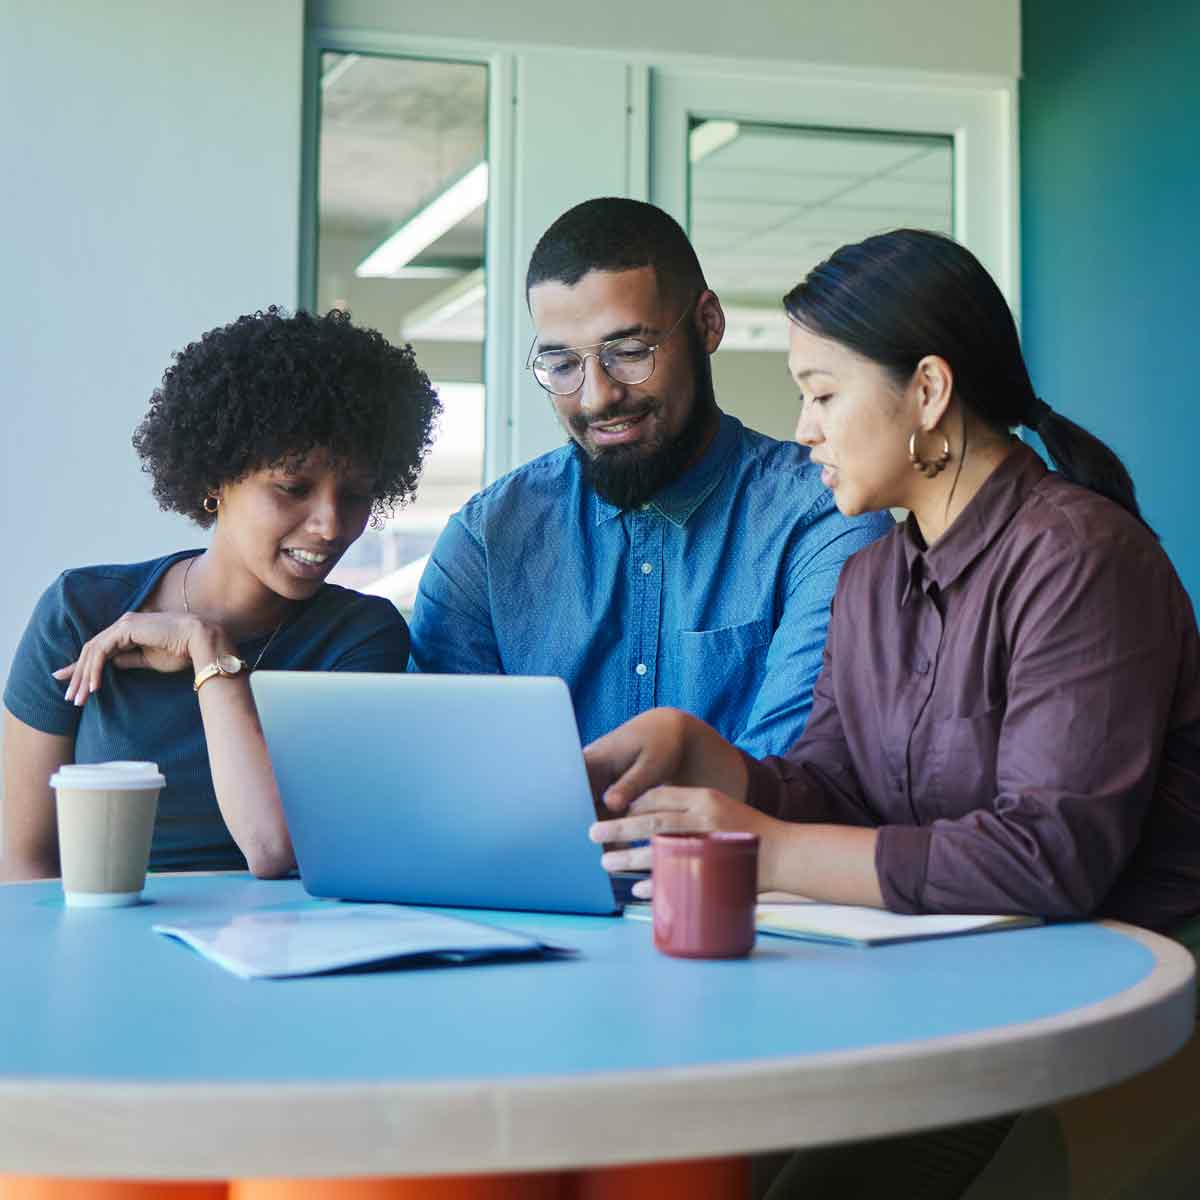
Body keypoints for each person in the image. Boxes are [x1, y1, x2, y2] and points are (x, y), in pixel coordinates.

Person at [584, 228, 1200, 1197]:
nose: (802, 429)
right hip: (959, 985)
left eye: (823, 393)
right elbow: (838, 782)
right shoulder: (874, 576)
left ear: (927, 392)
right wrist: (716, 762)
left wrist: (767, 850)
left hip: (1105, 1009)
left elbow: (1049, 856)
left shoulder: (1081, 559)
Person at [409, 198, 891, 756]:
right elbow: (451, 775)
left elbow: (791, 773)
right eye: (563, 365)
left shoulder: (825, 515)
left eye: (630, 352)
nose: (597, 397)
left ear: (707, 323)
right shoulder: (485, 541)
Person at [1, 307, 441, 881]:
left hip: (283, 946)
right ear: (217, 478)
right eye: (293, 488)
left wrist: (208, 654)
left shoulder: (361, 637)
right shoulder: (81, 611)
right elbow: (20, 858)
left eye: (356, 495)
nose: (331, 525)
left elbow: (274, 848)